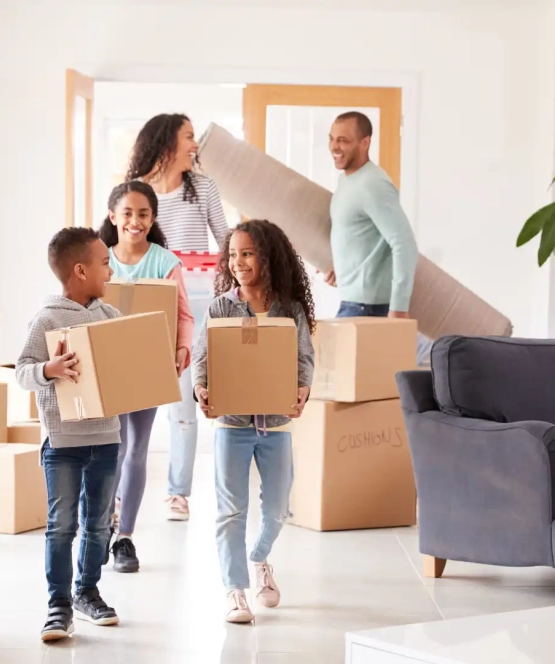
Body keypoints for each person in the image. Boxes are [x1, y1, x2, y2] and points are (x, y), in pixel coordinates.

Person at [191, 220, 315, 624]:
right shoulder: (220, 308)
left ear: (268, 257)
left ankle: (260, 558)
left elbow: (303, 360)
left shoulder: (289, 310)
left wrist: (302, 389)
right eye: (232, 255)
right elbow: (202, 358)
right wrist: (201, 389)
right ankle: (235, 589)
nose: (238, 263)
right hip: (231, 422)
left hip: (276, 423)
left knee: (278, 509)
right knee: (230, 511)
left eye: (247, 254)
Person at [16, 227, 121, 642]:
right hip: (62, 443)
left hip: (107, 437)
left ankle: (87, 591)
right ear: (80, 270)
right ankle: (58, 604)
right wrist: (49, 370)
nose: (110, 270)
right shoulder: (47, 318)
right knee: (62, 525)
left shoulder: (110, 317)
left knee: (98, 525)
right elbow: (23, 370)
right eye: (104, 263)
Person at [126, 113, 229, 522]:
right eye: (188, 137)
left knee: (184, 404)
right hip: (147, 305)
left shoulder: (202, 188)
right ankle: (121, 491)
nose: (195, 144)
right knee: (131, 400)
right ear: (167, 142)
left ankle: (177, 493)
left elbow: (226, 242)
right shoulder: (137, 196)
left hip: (195, 306)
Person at [98, 180, 195, 573]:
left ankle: (125, 538)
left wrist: (181, 351)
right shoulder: (99, 257)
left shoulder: (165, 262)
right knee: (111, 450)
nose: (135, 222)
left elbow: (184, 314)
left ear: (153, 219)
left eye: (143, 214)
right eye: (128, 213)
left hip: (149, 364)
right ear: (113, 216)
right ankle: (102, 527)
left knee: (136, 448)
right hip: (107, 365)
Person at [325, 112, 432, 361]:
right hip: (354, 301)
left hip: (368, 308)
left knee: (337, 379)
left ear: (365, 142)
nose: (334, 146)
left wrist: (398, 309)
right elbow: (362, 237)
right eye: (331, 138)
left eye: (343, 140)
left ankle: (428, 352)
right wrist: (342, 269)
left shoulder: (373, 184)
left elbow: (404, 244)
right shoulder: (348, 182)